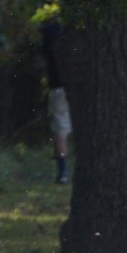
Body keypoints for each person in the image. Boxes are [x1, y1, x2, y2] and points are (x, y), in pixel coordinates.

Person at [40, 20, 72, 184]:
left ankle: (63, 172)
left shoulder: (49, 32)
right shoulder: (74, 30)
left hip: (58, 87)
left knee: (60, 129)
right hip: (78, 85)